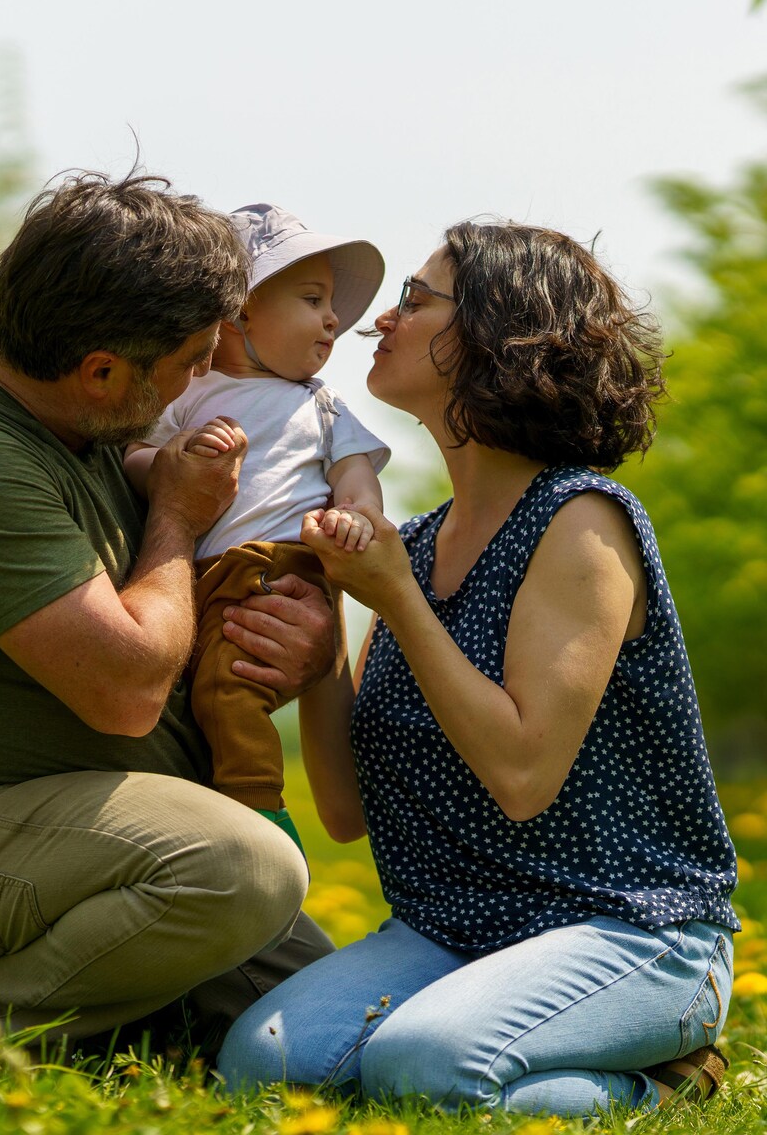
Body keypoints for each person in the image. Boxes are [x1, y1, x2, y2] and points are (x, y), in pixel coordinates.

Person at [218, 220, 740, 1116]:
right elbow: (343, 814)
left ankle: (668, 1092)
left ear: (501, 334)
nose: (378, 320)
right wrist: (323, 651)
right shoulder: (408, 551)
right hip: (454, 934)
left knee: (426, 1066)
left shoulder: (579, 520)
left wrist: (395, 603)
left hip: (631, 929)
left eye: (415, 300)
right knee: (260, 1063)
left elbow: (523, 773)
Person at [0, 169, 339, 1050]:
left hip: (136, 843)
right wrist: (181, 519)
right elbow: (129, 688)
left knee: (333, 1043)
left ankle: (106, 1018)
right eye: (192, 362)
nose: (204, 381)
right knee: (245, 869)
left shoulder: (75, 405)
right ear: (102, 369)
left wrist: (283, 647)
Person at [124, 204, 390, 852]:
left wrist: (357, 517)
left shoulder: (321, 404)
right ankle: (202, 816)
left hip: (278, 568)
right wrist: (169, 464)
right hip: (198, 575)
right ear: (239, 315)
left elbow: (356, 476)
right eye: (311, 298)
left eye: (331, 303)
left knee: (228, 692)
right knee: (188, 687)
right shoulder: (189, 393)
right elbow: (133, 458)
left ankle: (257, 817)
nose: (332, 319)